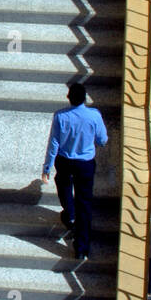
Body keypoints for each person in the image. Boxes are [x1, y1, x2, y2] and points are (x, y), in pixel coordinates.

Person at [42, 83, 108, 260]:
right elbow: (102, 140)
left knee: (63, 184)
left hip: (64, 160)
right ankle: (81, 248)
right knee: (84, 204)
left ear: (69, 98)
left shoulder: (60, 116)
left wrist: (47, 167)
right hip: (85, 163)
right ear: (85, 98)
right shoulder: (94, 116)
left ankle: (69, 213)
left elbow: (54, 143)